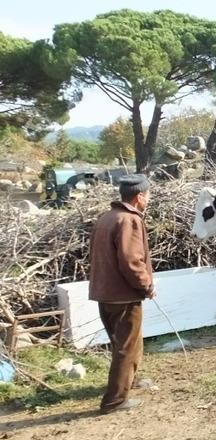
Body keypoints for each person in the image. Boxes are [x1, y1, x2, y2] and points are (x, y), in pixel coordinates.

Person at [88, 174, 155, 414]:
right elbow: (131, 261)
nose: (149, 199)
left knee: (126, 343)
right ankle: (114, 401)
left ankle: (129, 382)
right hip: (123, 295)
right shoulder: (129, 221)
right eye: (148, 195)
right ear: (139, 197)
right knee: (127, 346)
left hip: (104, 292)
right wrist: (146, 285)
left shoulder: (107, 217)